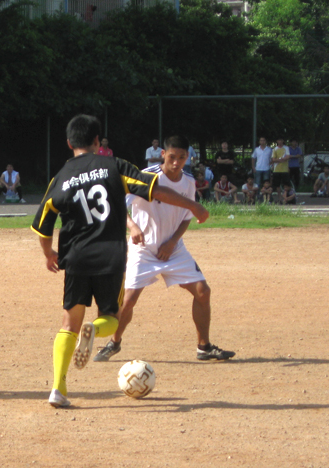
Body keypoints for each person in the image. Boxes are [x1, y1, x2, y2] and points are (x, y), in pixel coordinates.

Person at [32, 116, 209, 408]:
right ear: (98, 141)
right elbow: (155, 190)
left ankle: (58, 389)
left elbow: (42, 223)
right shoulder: (113, 166)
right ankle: (96, 329)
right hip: (110, 255)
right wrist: (194, 205)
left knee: (68, 323)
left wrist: (48, 253)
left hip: (75, 255)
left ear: (69, 143)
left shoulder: (61, 176)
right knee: (111, 317)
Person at [93, 135, 234, 365]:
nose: (176, 163)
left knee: (203, 292)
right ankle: (114, 342)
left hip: (174, 249)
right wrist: (132, 226)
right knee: (128, 300)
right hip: (143, 249)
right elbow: (117, 204)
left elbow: (187, 216)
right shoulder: (146, 176)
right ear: (163, 155)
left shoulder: (188, 182)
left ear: (188, 157)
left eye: (182, 157)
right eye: (172, 157)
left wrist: (172, 242)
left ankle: (204, 347)